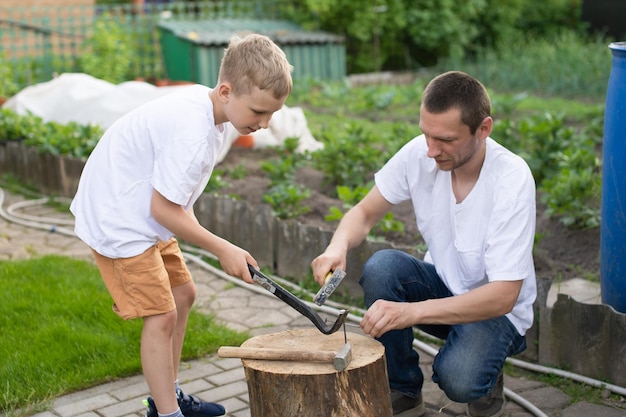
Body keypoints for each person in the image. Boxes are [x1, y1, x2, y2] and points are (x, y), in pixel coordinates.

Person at [70, 33, 293, 417]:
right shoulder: (192, 131)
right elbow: (164, 209)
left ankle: (166, 397)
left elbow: (173, 202)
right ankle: (167, 413)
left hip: (142, 212)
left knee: (183, 294)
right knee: (162, 315)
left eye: (272, 113)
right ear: (226, 91)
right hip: (120, 221)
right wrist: (222, 247)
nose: (266, 123)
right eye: (259, 112)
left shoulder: (212, 113)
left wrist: (219, 244)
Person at [311, 71, 536, 417]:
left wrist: (410, 312)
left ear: (483, 129)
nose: (431, 150)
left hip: (498, 312)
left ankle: (487, 381)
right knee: (382, 268)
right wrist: (337, 247)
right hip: (445, 287)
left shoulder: (511, 179)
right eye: (425, 134)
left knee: (459, 379)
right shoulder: (422, 153)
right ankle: (403, 390)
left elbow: (504, 294)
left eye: (445, 139)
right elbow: (365, 212)